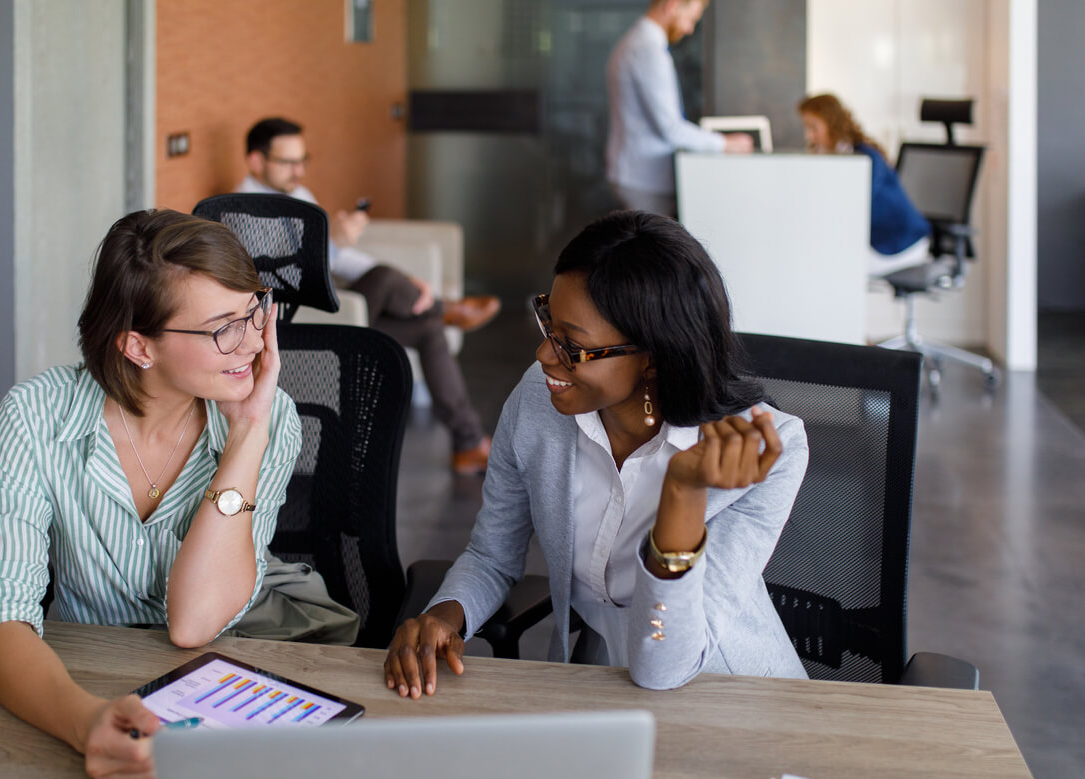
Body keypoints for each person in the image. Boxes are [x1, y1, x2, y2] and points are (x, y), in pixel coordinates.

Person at [0, 209, 355, 779]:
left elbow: (195, 622)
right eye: (224, 327)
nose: (252, 342)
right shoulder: (35, 418)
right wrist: (84, 718)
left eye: (254, 311)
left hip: (225, 687)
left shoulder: (270, 419)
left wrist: (246, 436)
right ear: (138, 347)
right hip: (80, 679)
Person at [384, 210, 809, 698]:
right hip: (594, 682)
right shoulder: (537, 401)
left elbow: (664, 667)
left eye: (572, 346)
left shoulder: (765, 451)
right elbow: (493, 555)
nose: (545, 355)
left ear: (652, 356)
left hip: (724, 692)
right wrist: (446, 613)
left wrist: (682, 496)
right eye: (548, 322)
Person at [236, 117, 497, 475]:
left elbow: (340, 260)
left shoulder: (299, 196)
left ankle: (468, 442)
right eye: (287, 162)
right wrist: (333, 244)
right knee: (393, 286)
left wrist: (404, 277)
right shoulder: (242, 212)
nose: (298, 170)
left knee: (428, 328)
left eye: (302, 160)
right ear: (256, 161)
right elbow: (274, 282)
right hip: (296, 317)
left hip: (335, 305)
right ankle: (448, 309)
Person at [606, 0, 753, 219]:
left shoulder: (636, 41)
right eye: (691, 19)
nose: (689, 29)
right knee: (652, 251)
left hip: (635, 172)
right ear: (672, 6)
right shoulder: (648, 50)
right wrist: (725, 144)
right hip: (645, 177)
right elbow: (671, 129)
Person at [797, 93, 933, 276]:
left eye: (813, 128)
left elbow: (853, 204)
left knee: (833, 269)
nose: (809, 136)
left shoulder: (866, 157)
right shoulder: (833, 157)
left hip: (902, 242)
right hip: (876, 240)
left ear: (832, 123)